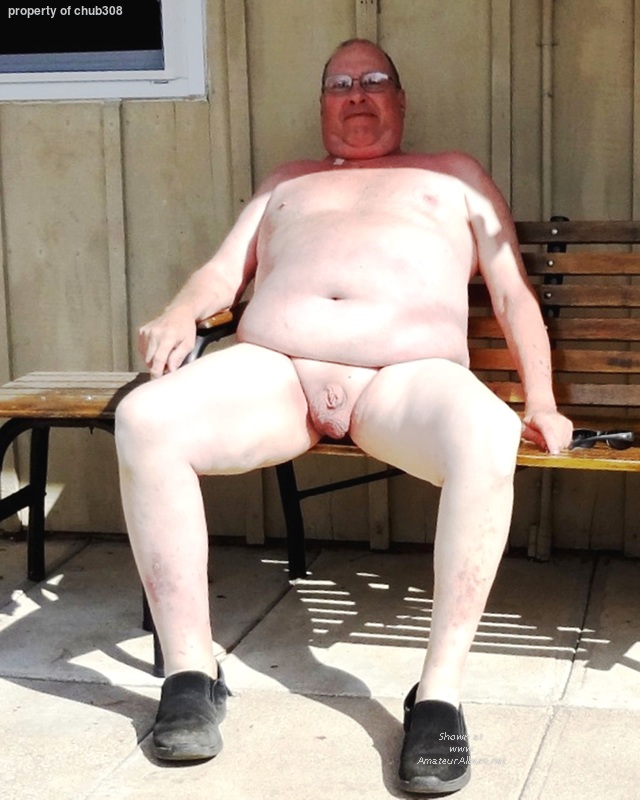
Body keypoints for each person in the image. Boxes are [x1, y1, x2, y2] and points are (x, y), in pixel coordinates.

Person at [115, 38, 573, 794]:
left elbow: (511, 291)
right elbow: (224, 272)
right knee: (145, 420)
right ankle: (191, 674)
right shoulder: (287, 182)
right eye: (340, 84)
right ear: (323, 105)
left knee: (489, 434)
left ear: (401, 100)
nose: (357, 93)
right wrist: (179, 311)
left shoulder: (454, 175)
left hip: (405, 378)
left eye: (374, 80)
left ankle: (439, 696)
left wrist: (544, 401)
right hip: (277, 372)